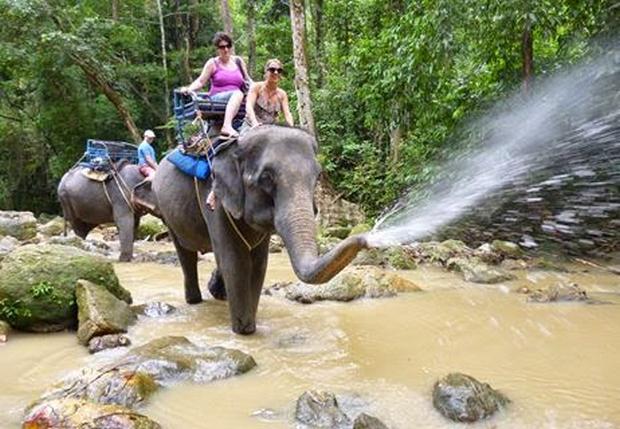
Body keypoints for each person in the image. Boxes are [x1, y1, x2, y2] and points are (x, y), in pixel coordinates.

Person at [181, 32, 251, 139]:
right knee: (238, 93)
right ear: (217, 49)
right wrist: (189, 89)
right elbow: (200, 81)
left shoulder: (238, 61)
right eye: (222, 47)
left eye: (228, 46)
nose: (226, 49)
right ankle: (227, 126)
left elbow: (248, 80)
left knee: (245, 96)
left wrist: (262, 87)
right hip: (218, 98)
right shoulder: (213, 63)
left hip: (238, 101)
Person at [242, 58, 293, 132]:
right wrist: (254, 123)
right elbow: (249, 106)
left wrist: (291, 129)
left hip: (270, 129)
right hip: (251, 126)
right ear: (266, 72)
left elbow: (287, 114)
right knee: (242, 141)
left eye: (279, 70)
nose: (276, 72)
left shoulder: (282, 94)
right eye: (272, 69)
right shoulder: (256, 87)